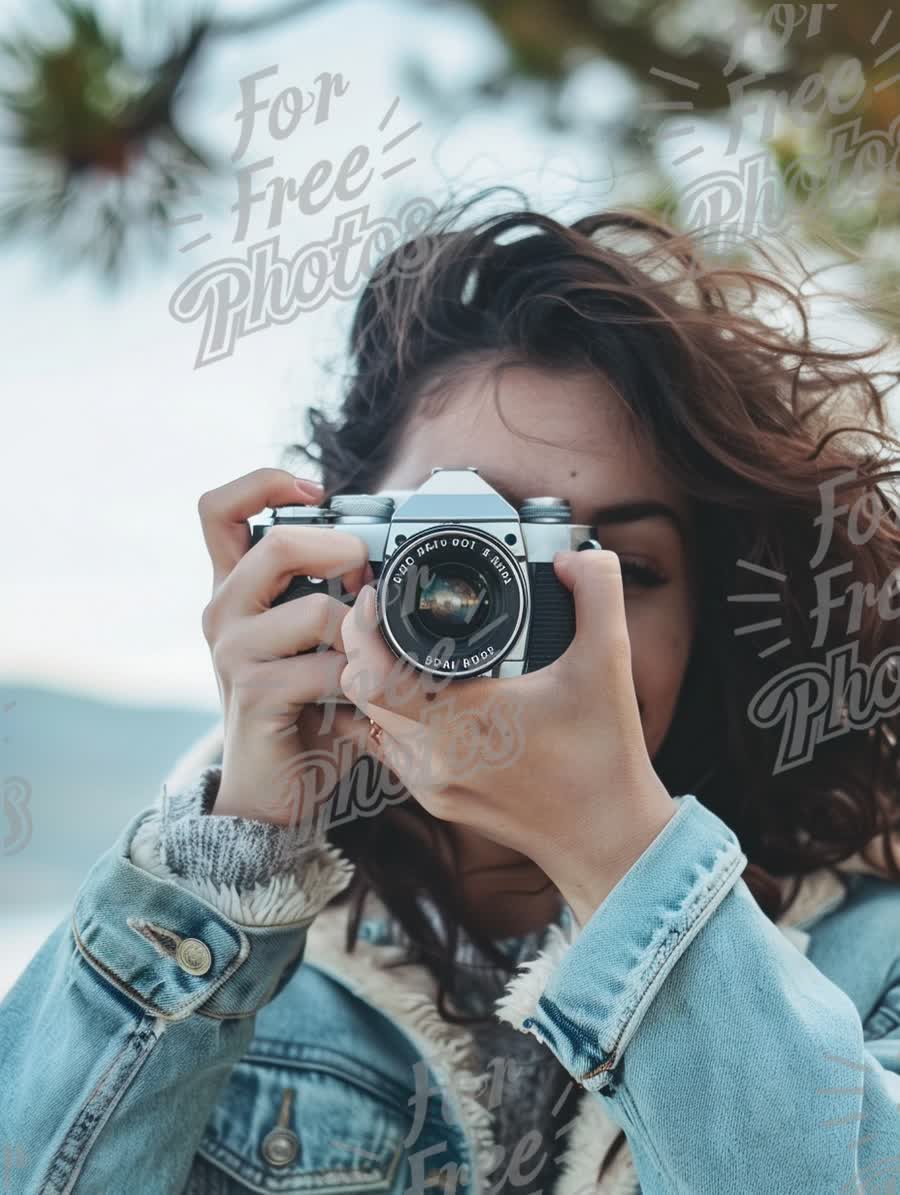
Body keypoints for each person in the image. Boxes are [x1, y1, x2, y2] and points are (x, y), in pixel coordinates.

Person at [2, 193, 900, 1195]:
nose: (519, 612)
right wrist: (238, 849)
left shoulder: (866, 961)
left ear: (714, 616)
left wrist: (622, 850)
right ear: (334, 563)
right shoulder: (221, 964)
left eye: (623, 568)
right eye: (460, 556)